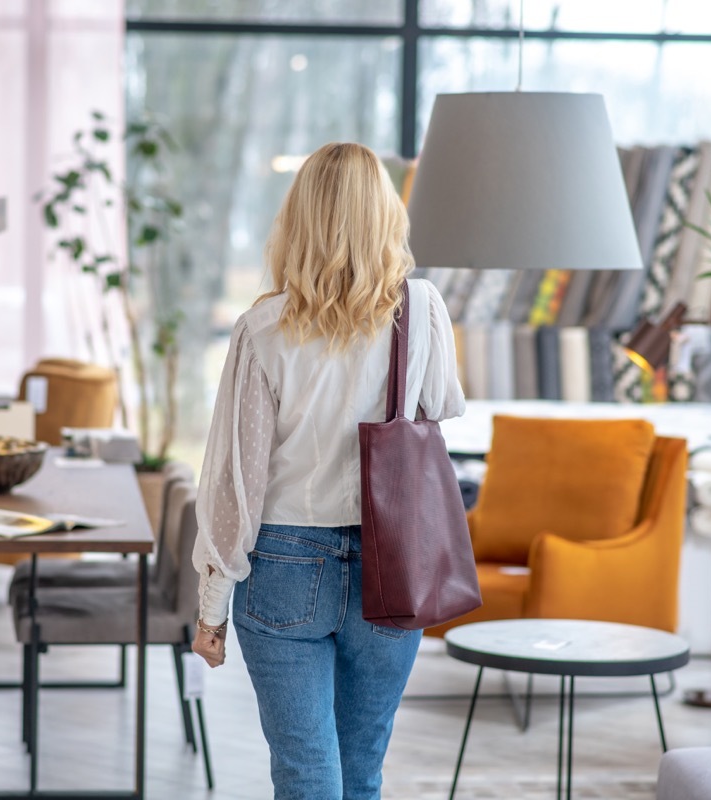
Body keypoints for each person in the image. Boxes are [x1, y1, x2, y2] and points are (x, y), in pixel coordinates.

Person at [191, 141, 465, 800]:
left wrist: (211, 607)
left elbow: (237, 479)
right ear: (386, 215)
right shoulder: (421, 308)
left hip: (282, 562)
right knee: (362, 765)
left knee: (304, 768)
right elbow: (442, 406)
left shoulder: (262, 327)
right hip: (392, 559)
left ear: (299, 219)